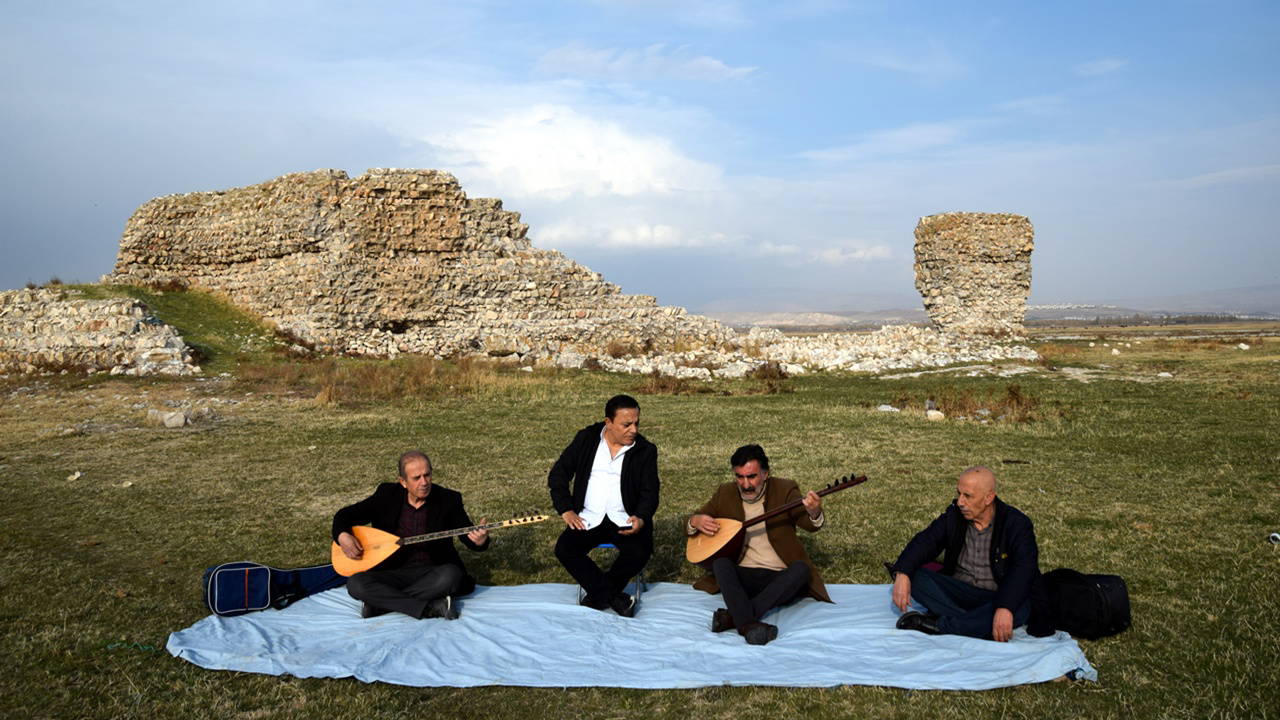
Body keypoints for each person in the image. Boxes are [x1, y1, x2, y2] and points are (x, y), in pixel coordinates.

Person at [687, 444, 831, 645]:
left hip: (778, 577)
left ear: (765, 474)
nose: (745, 484)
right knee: (721, 564)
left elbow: (809, 524)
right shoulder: (725, 493)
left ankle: (735, 618)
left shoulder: (784, 489)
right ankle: (748, 625)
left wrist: (814, 512)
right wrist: (695, 521)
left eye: (752, 477)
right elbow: (696, 518)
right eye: (739, 477)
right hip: (744, 577)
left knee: (801, 570)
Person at [889, 465, 1052, 641]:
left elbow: (1023, 569)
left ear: (989, 497)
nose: (960, 502)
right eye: (959, 493)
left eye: (967, 496)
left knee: (1020, 605)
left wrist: (1005, 607)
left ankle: (941, 626)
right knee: (914, 575)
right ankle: (976, 623)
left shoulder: (1016, 524)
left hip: (996, 596)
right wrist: (903, 573)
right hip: (960, 592)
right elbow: (926, 541)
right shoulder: (955, 515)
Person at [332, 449, 489, 620]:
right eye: (416, 478)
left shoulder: (448, 499)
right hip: (392, 572)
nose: (424, 482)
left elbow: (467, 534)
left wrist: (480, 541)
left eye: (427, 475)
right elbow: (344, 515)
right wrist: (342, 535)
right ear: (403, 482)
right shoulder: (386, 495)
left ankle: (381, 605)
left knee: (452, 576)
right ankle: (429, 607)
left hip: (432, 572)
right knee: (356, 584)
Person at [548, 394, 659, 617]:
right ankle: (615, 598)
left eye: (636, 423)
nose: (634, 430)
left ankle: (599, 595)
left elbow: (650, 491)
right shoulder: (586, 439)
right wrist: (566, 509)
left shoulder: (645, 450)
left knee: (640, 550)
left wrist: (641, 516)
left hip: (624, 518)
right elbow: (558, 474)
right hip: (589, 517)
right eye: (626, 424)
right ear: (608, 423)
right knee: (565, 549)